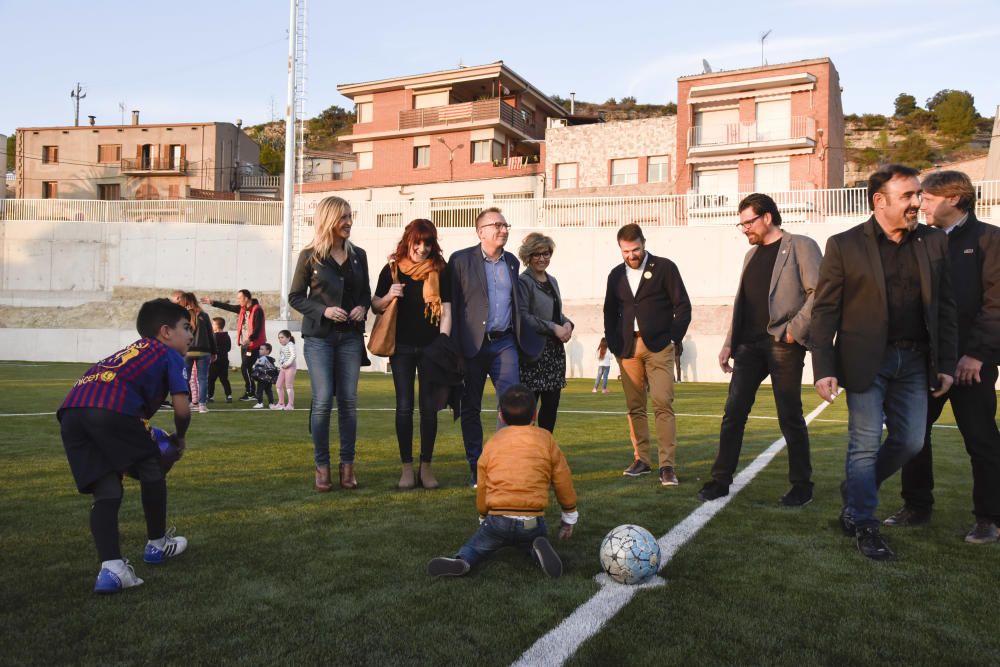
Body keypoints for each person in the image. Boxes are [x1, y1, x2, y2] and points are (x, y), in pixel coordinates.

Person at [810, 164, 957, 561]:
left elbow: (945, 307)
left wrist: (945, 362)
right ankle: (865, 525)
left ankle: (857, 491)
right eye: (908, 196)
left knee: (911, 441)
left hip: (915, 359)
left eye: (918, 195)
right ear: (880, 200)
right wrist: (823, 366)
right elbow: (825, 311)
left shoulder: (933, 241)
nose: (917, 203)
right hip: (864, 360)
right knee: (864, 444)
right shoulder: (844, 245)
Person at [884, 170, 1000, 544]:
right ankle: (916, 506)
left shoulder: (990, 239)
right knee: (913, 436)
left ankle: (989, 518)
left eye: (928, 197)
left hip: (971, 364)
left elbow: (996, 305)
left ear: (954, 198)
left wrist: (977, 355)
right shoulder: (920, 240)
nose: (920, 203)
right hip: (923, 363)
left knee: (981, 441)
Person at [57, 298, 192, 594]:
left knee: (106, 489)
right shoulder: (169, 354)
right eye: (186, 327)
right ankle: (157, 544)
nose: (191, 335)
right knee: (152, 466)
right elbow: (182, 410)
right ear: (166, 331)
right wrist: (179, 438)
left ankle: (112, 569)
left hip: (71, 410)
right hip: (112, 406)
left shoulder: (131, 350)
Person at [698, 194, 823, 506]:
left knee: (789, 415)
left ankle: (802, 485)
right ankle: (720, 479)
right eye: (741, 224)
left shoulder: (801, 245)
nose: (745, 230)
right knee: (734, 413)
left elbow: (819, 292)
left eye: (748, 222)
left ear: (767, 217)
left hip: (782, 342)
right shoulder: (750, 256)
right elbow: (743, 304)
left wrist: (794, 332)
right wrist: (729, 342)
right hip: (748, 346)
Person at [427, 384, 578, 578]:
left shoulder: (494, 442)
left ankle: (463, 560)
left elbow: (483, 483)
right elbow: (562, 479)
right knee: (531, 538)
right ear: (535, 414)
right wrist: (569, 516)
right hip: (532, 521)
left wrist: (483, 514)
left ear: (501, 416)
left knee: (476, 547)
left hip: (499, 521)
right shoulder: (546, 439)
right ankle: (536, 548)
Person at [448, 207, 543, 487]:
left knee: (513, 404)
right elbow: (451, 304)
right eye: (497, 225)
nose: (504, 229)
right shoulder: (460, 260)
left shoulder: (512, 262)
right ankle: (477, 467)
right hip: (472, 346)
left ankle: (506, 463)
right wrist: (453, 346)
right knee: (471, 408)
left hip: (504, 344)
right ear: (481, 232)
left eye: (505, 225)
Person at [289, 196, 370, 492]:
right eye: (342, 218)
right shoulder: (309, 256)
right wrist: (323, 310)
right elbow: (295, 296)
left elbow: (365, 293)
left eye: (350, 216)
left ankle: (347, 466)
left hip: (350, 337)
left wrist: (363, 307)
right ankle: (321, 466)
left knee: (348, 402)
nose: (348, 222)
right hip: (319, 338)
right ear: (328, 220)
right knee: (323, 401)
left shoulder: (359, 255)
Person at [603, 223, 691, 486]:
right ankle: (642, 459)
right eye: (626, 251)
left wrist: (674, 338)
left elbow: (683, 305)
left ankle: (667, 466)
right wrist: (615, 343)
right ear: (620, 249)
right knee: (635, 407)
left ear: (644, 243)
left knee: (662, 402)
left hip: (659, 347)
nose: (632, 255)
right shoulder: (615, 275)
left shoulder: (665, 267)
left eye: (636, 249)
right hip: (628, 350)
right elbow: (609, 311)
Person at [371, 219, 452, 490]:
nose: (422, 248)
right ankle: (407, 468)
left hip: (432, 347)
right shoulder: (392, 269)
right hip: (402, 347)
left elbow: (447, 310)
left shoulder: (441, 269)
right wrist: (388, 295)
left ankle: (426, 468)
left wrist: (443, 341)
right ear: (408, 241)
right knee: (404, 406)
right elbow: (375, 305)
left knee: (429, 409)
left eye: (428, 243)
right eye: (417, 242)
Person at [517, 232, 573, 433]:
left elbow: (556, 313)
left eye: (546, 253)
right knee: (528, 411)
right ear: (528, 256)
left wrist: (567, 324)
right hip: (533, 354)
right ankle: (526, 454)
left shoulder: (553, 280)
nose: (542, 258)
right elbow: (523, 316)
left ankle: (545, 451)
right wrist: (554, 328)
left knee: (550, 409)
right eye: (537, 254)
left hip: (554, 356)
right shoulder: (524, 282)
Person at [202, 290, 266, 402]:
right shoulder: (242, 308)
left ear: (246, 298)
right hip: (244, 344)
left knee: (245, 367)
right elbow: (228, 307)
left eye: (239, 298)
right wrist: (213, 302)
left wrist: (250, 339)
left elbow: (258, 328)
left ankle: (251, 393)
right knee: (246, 368)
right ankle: (250, 392)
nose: (238, 300)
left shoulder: (257, 310)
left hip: (252, 344)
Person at [177, 292, 216, 413]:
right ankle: (202, 405)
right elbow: (211, 334)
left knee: (184, 378)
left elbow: (177, 335)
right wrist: (214, 351)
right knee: (202, 379)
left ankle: (184, 403)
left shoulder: (181, 316)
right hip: (203, 351)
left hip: (187, 351)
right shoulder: (203, 315)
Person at [207, 317, 233, 403]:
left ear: (217, 326)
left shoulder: (213, 336)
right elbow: (229, 348)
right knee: (224, 379)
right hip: (224, 360)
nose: (212, 325)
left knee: (211, 379)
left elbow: (211, 348)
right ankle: (229, 396)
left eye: (213, 324)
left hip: (215, 360)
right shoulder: (227, 336)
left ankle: (210, 396)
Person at [272, 329, 297, 411]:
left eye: (282, 337)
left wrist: (287, 364)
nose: (280, 339)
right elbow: (282, 357)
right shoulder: (282, 347)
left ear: (288, 337)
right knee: (278, 385)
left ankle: (290, 404)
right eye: (279, 338)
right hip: (283, 369)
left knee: (288, 386)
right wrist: (281, 365)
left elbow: (293, 356)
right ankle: (281, 403)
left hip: (290, 368)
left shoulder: (291, 345)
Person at [251, 343, 278, 409]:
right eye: (260, 349)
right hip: (269, 378)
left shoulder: (263, 358)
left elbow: (256, 366)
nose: (259, 350)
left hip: (263, 378)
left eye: (262, 349)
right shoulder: (270, 359)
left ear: (267, 351)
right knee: (269, 391)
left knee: (259, 390)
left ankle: (260, 403)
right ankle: (271, 404)